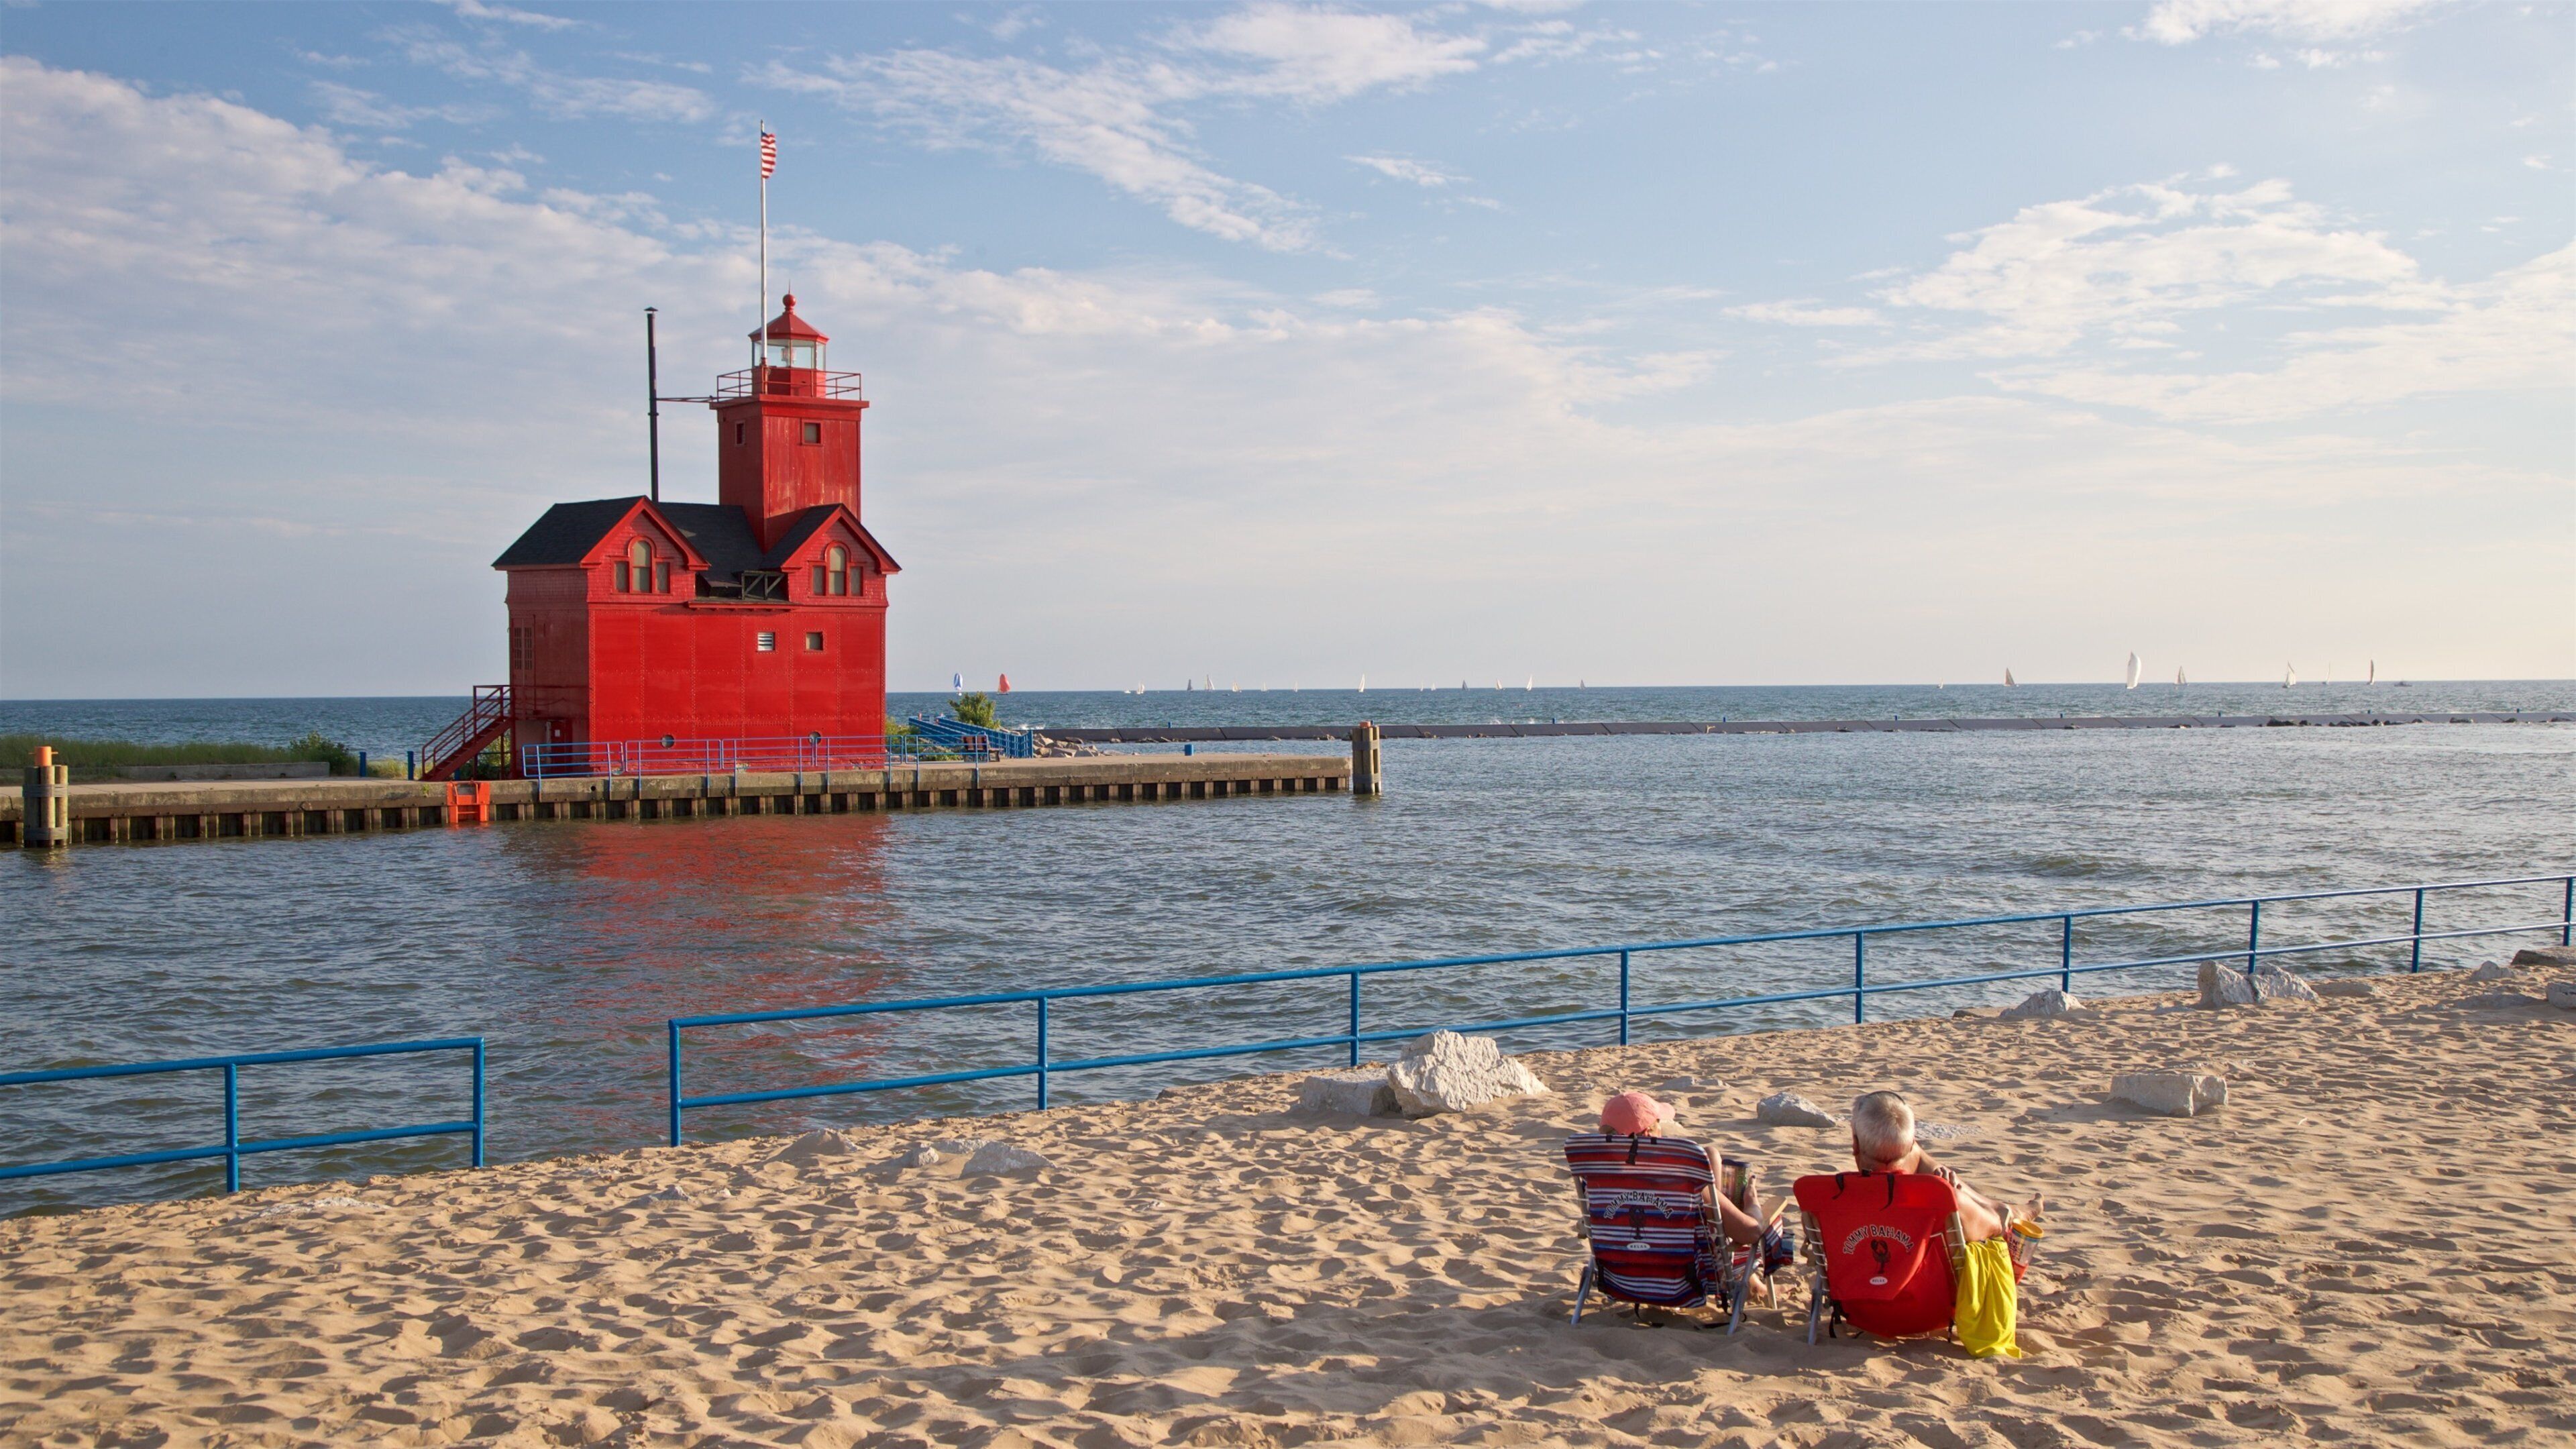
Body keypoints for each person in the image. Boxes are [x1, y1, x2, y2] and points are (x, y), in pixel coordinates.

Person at [1597, 1091, 1796, 1271]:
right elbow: (1750, 1233)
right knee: (1763, 1223)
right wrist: (1751, 1199)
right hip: (1683, 1277)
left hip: (1623, 1274)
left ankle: (1752, 1283)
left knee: (1711, 1156)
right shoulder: (1685, 1176)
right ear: (1650, 1133)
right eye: (1661, 1124)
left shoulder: (1599, 1178)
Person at [1845, 1090, 2034, 1242]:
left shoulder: (1831, 1198)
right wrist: (1948, 1192)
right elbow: (1997, 1225)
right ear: (1911, 1145)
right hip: (1926, 1287)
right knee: (1995, 1215)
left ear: (1855, 1145)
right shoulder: (1940, 1203)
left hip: (1851, 1288)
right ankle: (2010, 1210)